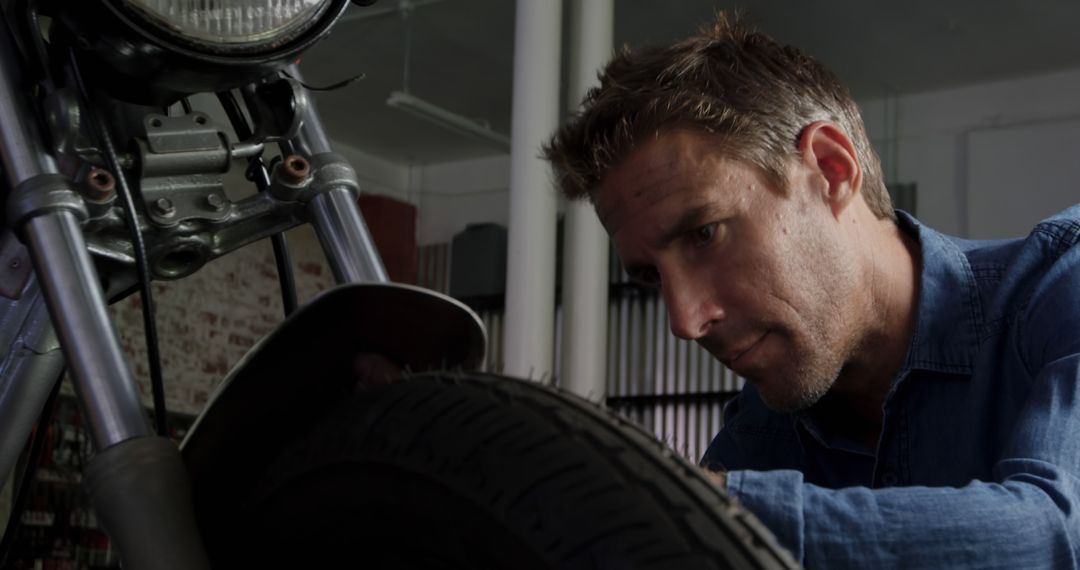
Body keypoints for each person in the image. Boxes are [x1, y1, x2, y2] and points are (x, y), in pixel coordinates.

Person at [542, 13, 1080, 569]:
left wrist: (690, 507)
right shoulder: (757, 439)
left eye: (704, 234)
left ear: (830, 169)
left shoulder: (1063, 283)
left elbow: (1055, 533)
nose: (685, 321)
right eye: (651, 277)